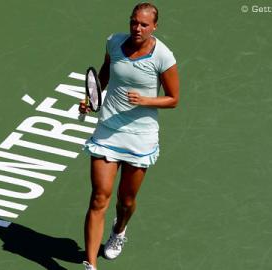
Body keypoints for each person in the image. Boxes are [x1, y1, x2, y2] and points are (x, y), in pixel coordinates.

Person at [79, 3, 180, 270]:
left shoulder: (163, 57)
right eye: (134, 22)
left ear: (154, 27)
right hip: (108, 131)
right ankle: (90, 265)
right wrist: (92, 98)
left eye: (144, 24)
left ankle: (119, 230)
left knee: (126, 201)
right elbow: (104, 72)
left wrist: (145, 100)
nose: (137, 28)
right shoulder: (114, 42)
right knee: (99, 197)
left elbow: (174, 99)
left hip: (140, 137)